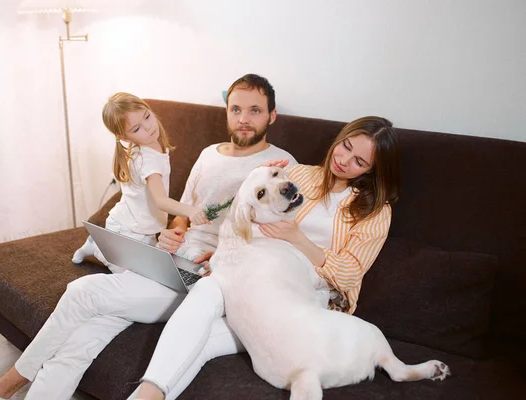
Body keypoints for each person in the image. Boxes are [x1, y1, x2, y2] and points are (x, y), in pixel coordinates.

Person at [0, 73, 296, 400]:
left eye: (255, 110)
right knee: (82, 340)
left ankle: (3, 388)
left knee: (82, 294)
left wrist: (222, 259)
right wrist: (174, 231)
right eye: (236, 109)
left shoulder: (279, 167)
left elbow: (279, 239)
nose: (243, 119)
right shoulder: (210, 153)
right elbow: (184, 210)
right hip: (170, 261)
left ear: (272, 116)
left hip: (206, 281)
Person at [134, 116, 401, 400]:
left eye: (360, 161)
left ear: (373, 170)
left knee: (206, 342)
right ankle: (147, 394)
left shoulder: (375, 211)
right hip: (255, 274)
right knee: (206, 289)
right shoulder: (297, 175)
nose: (345, 160)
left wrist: (297, 237)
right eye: (345, 146)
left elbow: (349, 274)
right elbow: (248, 224)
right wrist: (227, 257)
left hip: (306, 295)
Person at [72, 92, 209, 274]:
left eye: (147, 116)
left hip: (144, 227)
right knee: (130, 275)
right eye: (137, 129)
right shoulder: (147, 159)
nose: (149, 127)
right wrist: (191, 211)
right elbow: (161, 201)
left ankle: (101, 246)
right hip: (126, 230)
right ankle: (97, 247)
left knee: (158, 267)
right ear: (126, 138)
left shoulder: (153, 144)